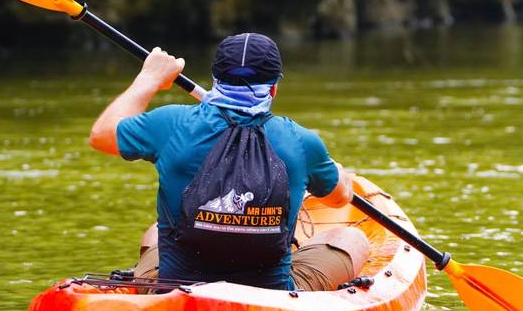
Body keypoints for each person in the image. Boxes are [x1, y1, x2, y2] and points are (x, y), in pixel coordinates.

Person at [88, 33, 370, 291]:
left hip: (177, 291)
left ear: (215, 80)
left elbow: (102, 135)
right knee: (352, 239)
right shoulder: (301, 142)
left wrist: (149, 78)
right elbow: (339, 198)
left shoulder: (172, 123)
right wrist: (338, 173)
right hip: (272, 297)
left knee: (155, 232)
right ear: (273, 89)